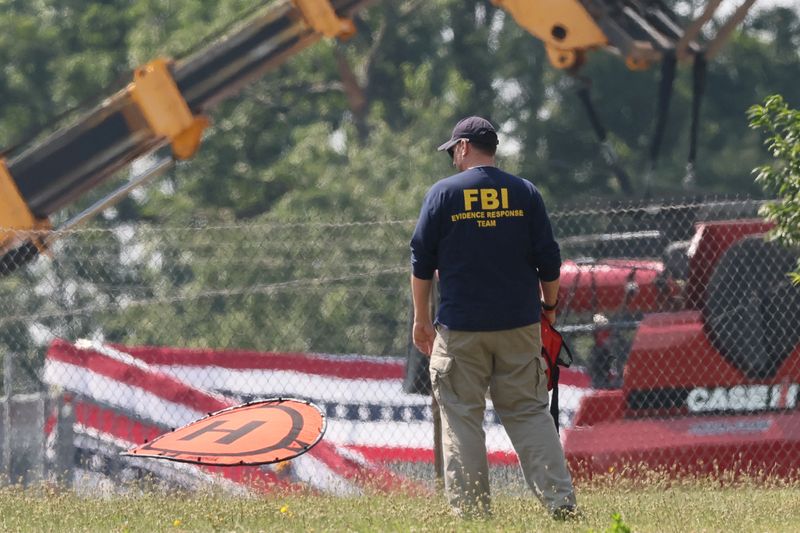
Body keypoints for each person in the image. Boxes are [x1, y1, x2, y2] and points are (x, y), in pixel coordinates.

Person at [409, 116, 577, 519]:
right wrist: (548, 310)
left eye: (453, 151)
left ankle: (473, 516)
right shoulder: (525, 193)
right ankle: (561, 505)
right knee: (528, 412)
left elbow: (420, 262)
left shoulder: (442, 195)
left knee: (462, 417)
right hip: (519, 326)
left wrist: (421, 319)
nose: (452, 159)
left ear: (465, 146)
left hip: (461, 330)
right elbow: (549, 262)